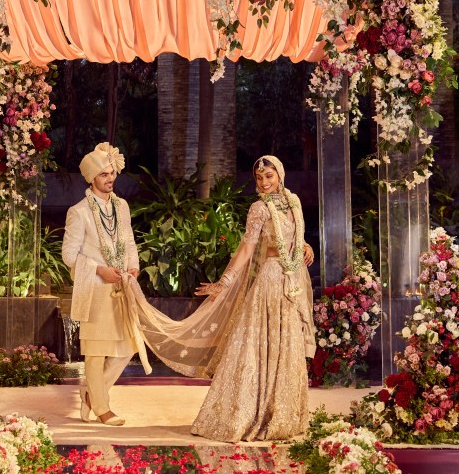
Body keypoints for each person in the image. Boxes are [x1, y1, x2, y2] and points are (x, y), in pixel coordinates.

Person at [119, 155, 316, 442]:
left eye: (269, 176)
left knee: (288, 345)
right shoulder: (259, 209)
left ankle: (284, 413)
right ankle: (250, 414)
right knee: (261, 347)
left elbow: (293, 238)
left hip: (294, 280)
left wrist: (306, 246)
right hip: (271, 282)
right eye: (260, 178)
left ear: (280, 175)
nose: (264, 182)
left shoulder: (294, 204)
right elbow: (246, 251)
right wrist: (223, 283)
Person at [62, 142, 150, 426]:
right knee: (96, 353)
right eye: (103, 175)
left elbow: (129, 241)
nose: (110, 179)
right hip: (95, 290)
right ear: (91, 178)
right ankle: (102, 408)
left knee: (128, 347)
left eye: (112, 173)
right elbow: (68, 256)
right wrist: (99, 270)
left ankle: (90, 397)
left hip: (121, 288)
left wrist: (133, 266)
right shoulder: (79, 212)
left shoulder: (121, 206)